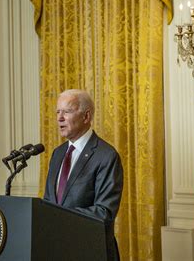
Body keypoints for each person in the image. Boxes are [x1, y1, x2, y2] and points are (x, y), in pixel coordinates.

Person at [43, 89, 123, 259]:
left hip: (90, 250)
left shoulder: (106, 155)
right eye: (58, 112)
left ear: (86, 117)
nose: (59, 118)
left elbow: (104, 213)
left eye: (67, 111)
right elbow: (49, 201)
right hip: (57, 249)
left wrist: (59, 217)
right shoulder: (58, 153)